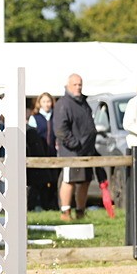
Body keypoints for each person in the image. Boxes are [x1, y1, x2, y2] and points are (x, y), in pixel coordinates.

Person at [54, 73, 98, 221]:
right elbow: (61, 129)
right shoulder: (63, 104)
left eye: (80, 84)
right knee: (69, 181)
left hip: (86, 151)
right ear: (68, 86)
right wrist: (75, 144)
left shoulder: (83, 102)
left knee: (85, 181)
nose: (78, 87)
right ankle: (65, 212)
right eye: (75, 84)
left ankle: (80, 211)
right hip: (71, 152)